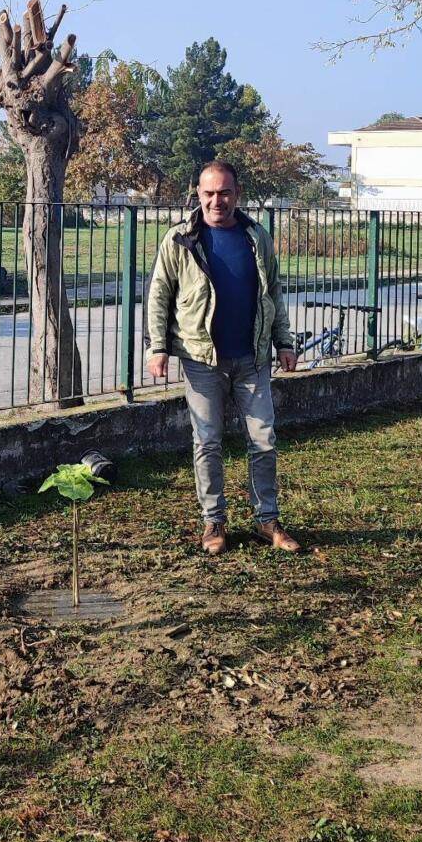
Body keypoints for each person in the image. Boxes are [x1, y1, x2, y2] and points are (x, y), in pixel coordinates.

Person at [145, 161, 300, 555]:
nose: (217, 201)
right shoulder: (180, 239)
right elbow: (159, 295)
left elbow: (273, 292)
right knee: (207, 442)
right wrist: (158, 347)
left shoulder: (256, 237)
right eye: (209, 193)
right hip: (201, 360)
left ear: (237, 194)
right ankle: (213, 522)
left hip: (252, 358)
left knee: (263, 441)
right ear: (198, 194)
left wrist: (283, 342)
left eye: (224, 192)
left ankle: (267, 520)